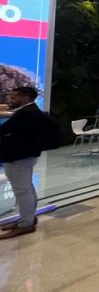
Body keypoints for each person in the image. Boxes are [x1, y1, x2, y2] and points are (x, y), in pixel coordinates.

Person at [0, 87, 48, 239]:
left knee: (22, 191)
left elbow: (4, 129)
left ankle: (26, 223)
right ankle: (27, 218)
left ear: (26, 98)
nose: (11, 100)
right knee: (27, 188)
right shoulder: (31, 111)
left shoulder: (25, 113)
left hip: (18, 157)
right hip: (24, 156)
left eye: (14, 97)